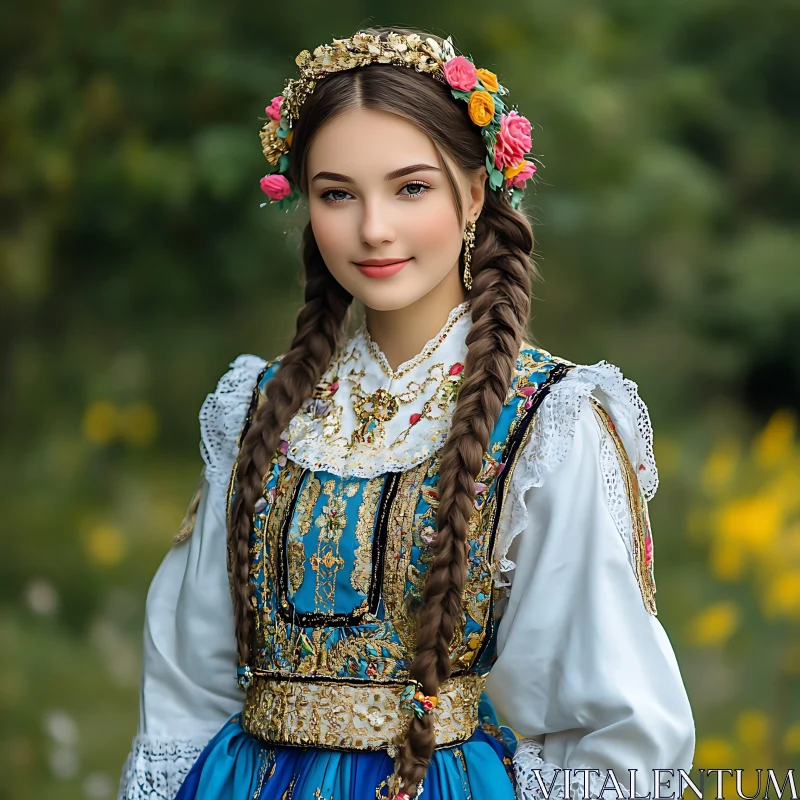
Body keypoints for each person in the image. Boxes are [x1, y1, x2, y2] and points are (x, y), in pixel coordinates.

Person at [117, 26, 695, 800]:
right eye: (337, 194)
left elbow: (616, 724)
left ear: (476, 196)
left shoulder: (543, 424)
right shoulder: (257, 410)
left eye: (410, 187)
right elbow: (186, 683)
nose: (374, 228)